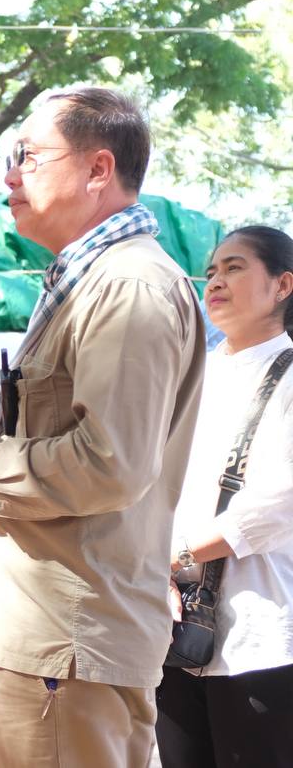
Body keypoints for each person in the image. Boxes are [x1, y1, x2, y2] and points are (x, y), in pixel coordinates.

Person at [0, 87, 205, 766]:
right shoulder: (92, 275)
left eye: (28, 157)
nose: (10, 176)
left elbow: (110, 461)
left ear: (98, 169)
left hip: (71, 636)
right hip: (57, 634)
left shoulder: (127, 285)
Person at [156, 226, 293, 767]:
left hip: (257, 635)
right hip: (172, 627)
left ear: (283, 285)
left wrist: (171, 558)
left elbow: (276, 502)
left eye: (234, 268)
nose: (215, 280)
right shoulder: (192, 375)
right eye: (211, 271)